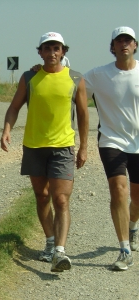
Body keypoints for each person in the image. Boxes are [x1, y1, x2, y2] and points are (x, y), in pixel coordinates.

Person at [0, 32, 89, 272]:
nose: (52, 53)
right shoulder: (29, 77)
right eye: (47, 48)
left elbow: (83, 114)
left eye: (56, 48)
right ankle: (50, 241)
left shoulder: (76, 79)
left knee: (61, 199)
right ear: (40, 52)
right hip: (34, 147)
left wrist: (83, 147)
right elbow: (14, 106)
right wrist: (7, 128)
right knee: (42, 197)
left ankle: (60, 252)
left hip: (63, 147)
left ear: (63, 52)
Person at [84, 26, 139, 271]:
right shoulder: (98, 75)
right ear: (113, 46)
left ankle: (132, 224)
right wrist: (40, 70)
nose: (124, 44)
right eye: (119, 40)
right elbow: (69, 84)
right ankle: (124, 249)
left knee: (137, 197)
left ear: (135, 45)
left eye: (128, 40)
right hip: (111, 140)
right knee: (118, 189)